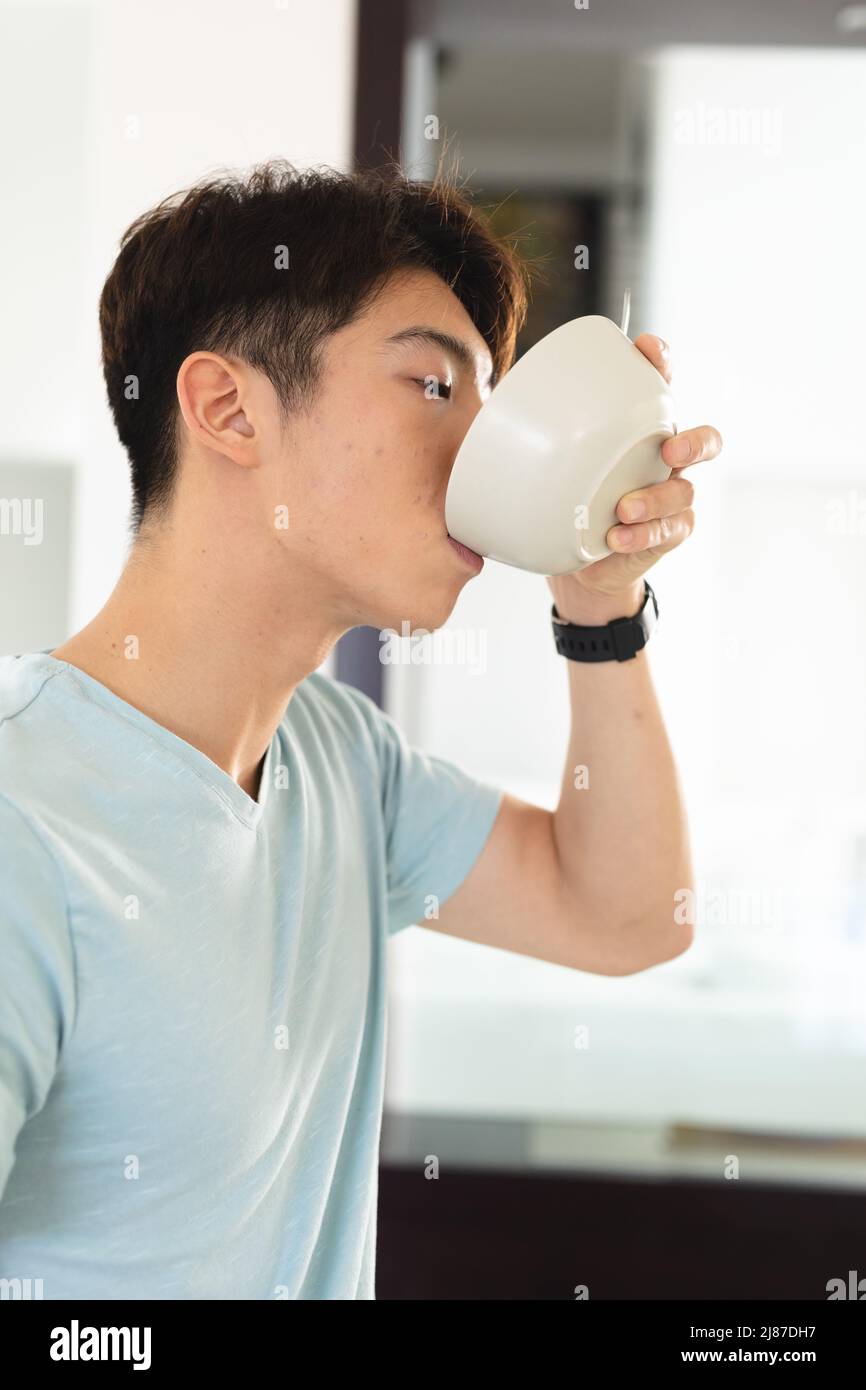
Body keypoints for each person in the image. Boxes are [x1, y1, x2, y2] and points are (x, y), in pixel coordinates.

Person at [0, 159, 721, 1300]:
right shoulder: (23, 818)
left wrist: (600, 607)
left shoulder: (340, 763)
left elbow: (629, 914)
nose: (479, 450)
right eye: (435, 388)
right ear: (229, 408)